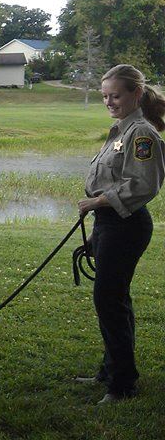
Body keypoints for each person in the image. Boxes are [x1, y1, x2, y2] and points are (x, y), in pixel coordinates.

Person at [76, 64, 165, 404]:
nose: (109, 102)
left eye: (115, 95)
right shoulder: (120, 131)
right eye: (104, 96)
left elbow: (144, 185)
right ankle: (111, 370)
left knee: (109, 299)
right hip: (109, 224)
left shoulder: (141, 134)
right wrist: (96, 226)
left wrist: (97, 201)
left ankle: (122, 384)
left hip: (126, 225)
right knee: (111, 299)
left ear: (136, 94)